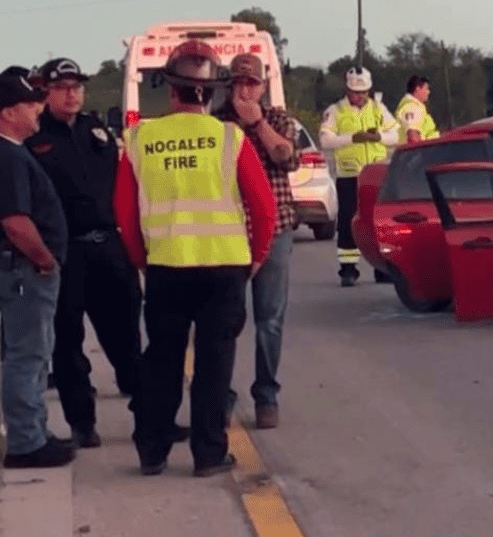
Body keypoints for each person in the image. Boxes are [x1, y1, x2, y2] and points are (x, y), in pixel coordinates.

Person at [114, 40, 277, 477]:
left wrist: (140, 260)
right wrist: (256, 257)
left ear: (171, 88)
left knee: (162, 360)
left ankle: (152, 450)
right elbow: (264, 208)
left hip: (167, 267)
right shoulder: (230, 137)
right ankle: (208, 454)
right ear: (212, 92)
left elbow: (125, 215)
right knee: (213, 364)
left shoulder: (139, 139)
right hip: (225, 269)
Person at [23, 58, 143, 449]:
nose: (72, 94)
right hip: (66, 251)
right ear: (46, 92)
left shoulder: (97, 130)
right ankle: (82, 424)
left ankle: (149, 419)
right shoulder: (34, 136)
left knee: (126, 337)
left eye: (77, 86)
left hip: (108, 246)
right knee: (67, 343)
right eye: (63, 87)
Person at [211, 54, 298, 430]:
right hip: (228, 232)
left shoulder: (278, 120)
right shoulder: (216, 126)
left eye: (252, 84)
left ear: (262, 87)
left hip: (274, 229)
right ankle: (222, 397)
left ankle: (267, 395)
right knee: (223, 320)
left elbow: (286, 157)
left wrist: (258, 123)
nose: (245, 90)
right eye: (239, 84)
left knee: (270, 320)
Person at [0, 69, 76, 469]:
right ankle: (26, 442)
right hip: (25, 272)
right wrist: (44, 259)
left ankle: (35, 431)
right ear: (9, 112)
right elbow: (15, 221)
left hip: (23, 271)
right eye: (31, 106)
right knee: (27, 355)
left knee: (33, 354)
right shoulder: (8, 155)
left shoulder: (14, 151)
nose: (38, 112)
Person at [318, 67, 399, 287]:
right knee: (347, 222)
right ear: (347, 89)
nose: (360, 96)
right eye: (355, 91)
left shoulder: (378, 108)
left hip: (375, 176)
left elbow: (396, 135)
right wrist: (352, 138)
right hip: (349, 175)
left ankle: (381, 267)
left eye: (363, 92)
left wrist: (378, 136)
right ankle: (347, 269)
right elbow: (325, 140)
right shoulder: (335, 111)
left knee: (377, 222)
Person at [395, 75, 439, 145]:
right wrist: (421, 153)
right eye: (426, 89)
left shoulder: (415, 106)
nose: (428, 92)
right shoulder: (412, 107)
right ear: (417, 89)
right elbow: (413, 136)